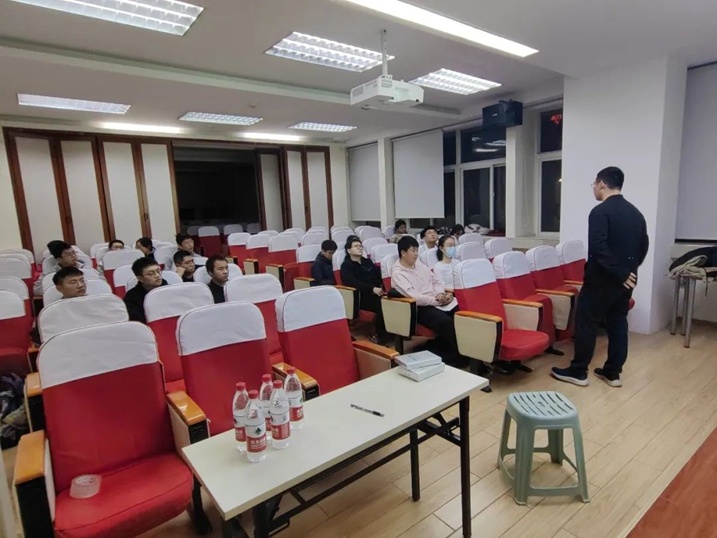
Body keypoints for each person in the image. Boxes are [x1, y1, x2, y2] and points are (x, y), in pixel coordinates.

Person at [552, 166, 649, 388]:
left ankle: (578, 371)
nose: (594, 189)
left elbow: (598, 248)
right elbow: (643, 245)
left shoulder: (600, 212)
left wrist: (619, 272)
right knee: (618, 323)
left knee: (587, 323)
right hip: (626, 281)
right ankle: (613, 373)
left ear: (601, 184)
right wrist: (629, 271)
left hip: (601, 280)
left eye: (594, 185)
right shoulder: (636, 213)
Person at [391, 236, 465, 366]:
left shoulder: (419, 265)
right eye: (413, 251)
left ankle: (456, 350)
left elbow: (436, 281)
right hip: (419, 308)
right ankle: (460, 355)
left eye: (417, 250)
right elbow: (415, 297)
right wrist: (437, 301)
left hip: (436, 300)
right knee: (445, 322)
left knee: (462, 313)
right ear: (403, 253)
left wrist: (441, 294)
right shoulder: (398, 273)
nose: (416, 254)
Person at [340, 236, 387, 344]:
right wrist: (372, 288)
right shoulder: (346, 266)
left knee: (390, 302)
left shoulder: (367, 262)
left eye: (360, 246)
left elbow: (377, 275)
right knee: (381, 304)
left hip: (375, 292)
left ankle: (391, 332)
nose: (359, 248)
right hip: (360, 297)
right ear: (349, 250)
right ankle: (379, 336)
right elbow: (351, 282)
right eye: (356, 246)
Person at [124, 257, 167, 323]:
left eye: (158, 271)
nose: (157, 275)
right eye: (151, 274)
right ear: (140, 278)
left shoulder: (169, 289)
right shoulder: (131, 298)